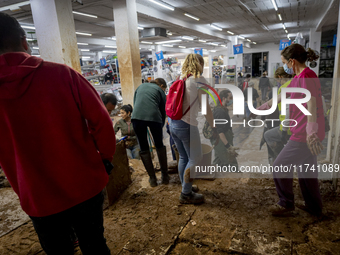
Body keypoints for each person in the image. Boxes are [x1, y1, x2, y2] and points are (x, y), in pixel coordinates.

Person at [0, 13, 115, 254]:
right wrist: (105, 158)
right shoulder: (63, 74)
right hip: (84, 184)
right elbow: (102, 121)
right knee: (94, 245)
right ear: (24, 41)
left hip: (37, 195)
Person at [256, 44, 325, 216]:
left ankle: (286, 203)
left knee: (279, 165)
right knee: (306, 170)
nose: (285, 66)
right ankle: (314, 207)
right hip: (303, 131)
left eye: (285, 62)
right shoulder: (298, 78)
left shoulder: (307, 76)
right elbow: (282, 95)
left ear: (292, 61)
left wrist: (311, 132)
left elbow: (312, 103)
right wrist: (264, 106)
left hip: (304, 133)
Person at [169, 54, 215, 204]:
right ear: (199, 64)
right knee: (196, 158)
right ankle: (185, 194)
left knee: (184, 157)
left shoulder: (181, 79)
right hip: (187, 125)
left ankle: (185, 186)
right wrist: (213, 124)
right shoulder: (199, 81)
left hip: (173, 123)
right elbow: (205, 108)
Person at [131, 79, 168, 187]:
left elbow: (136, 104)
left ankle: (152, 179)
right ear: (161, 86)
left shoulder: (140, 87)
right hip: (154, 117)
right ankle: (165, 176)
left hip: (136, 118)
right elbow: (163, 110)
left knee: (143, 147)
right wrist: (160, 126)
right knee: (159, 145)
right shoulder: (159, 90)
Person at [264, 67, 293, 165]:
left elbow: (287, 109)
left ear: (280, 77)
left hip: (289, 126)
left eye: (276, 79)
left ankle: (282, 161)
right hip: (296, 123)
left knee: (268, 135)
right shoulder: (295, 82)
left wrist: (284, 130)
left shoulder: (284, 88)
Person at [210, 90, 239, 169]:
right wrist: (228, 146)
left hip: (220, 141)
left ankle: (213, 176)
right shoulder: (220, 112)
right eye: (230, 98)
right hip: (222, 141)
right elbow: (220, 132)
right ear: (223, 98)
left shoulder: (222, 109)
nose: (231, 100)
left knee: (218, 162)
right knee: (232, 164)